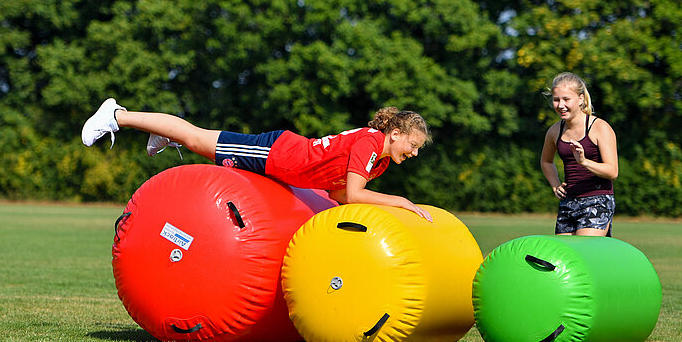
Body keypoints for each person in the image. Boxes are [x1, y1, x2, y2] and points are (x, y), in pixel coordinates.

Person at [81, 98, 433, 220]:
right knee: (195, 137)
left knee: (194, 138)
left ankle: (165, 132)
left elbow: (340, 195)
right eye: (412, 145)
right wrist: (400, 203)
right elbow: (355, 194)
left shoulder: (380, 161)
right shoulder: (371, 144)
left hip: (283, 164)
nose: (414, 153)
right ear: (395, 133)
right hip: (275, 154)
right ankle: (117, 116)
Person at [539, 72, 618, 236]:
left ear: (581, 99)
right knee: (563, 259)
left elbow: (612, 171)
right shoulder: (555, 131)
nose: (561, 105)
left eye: (566, 99)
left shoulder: (599, 128)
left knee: (584, 254)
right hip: (568, 202)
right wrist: (555, 185)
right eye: (556, 99)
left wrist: (584, 161)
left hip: (597, 201)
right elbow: (546, 161)